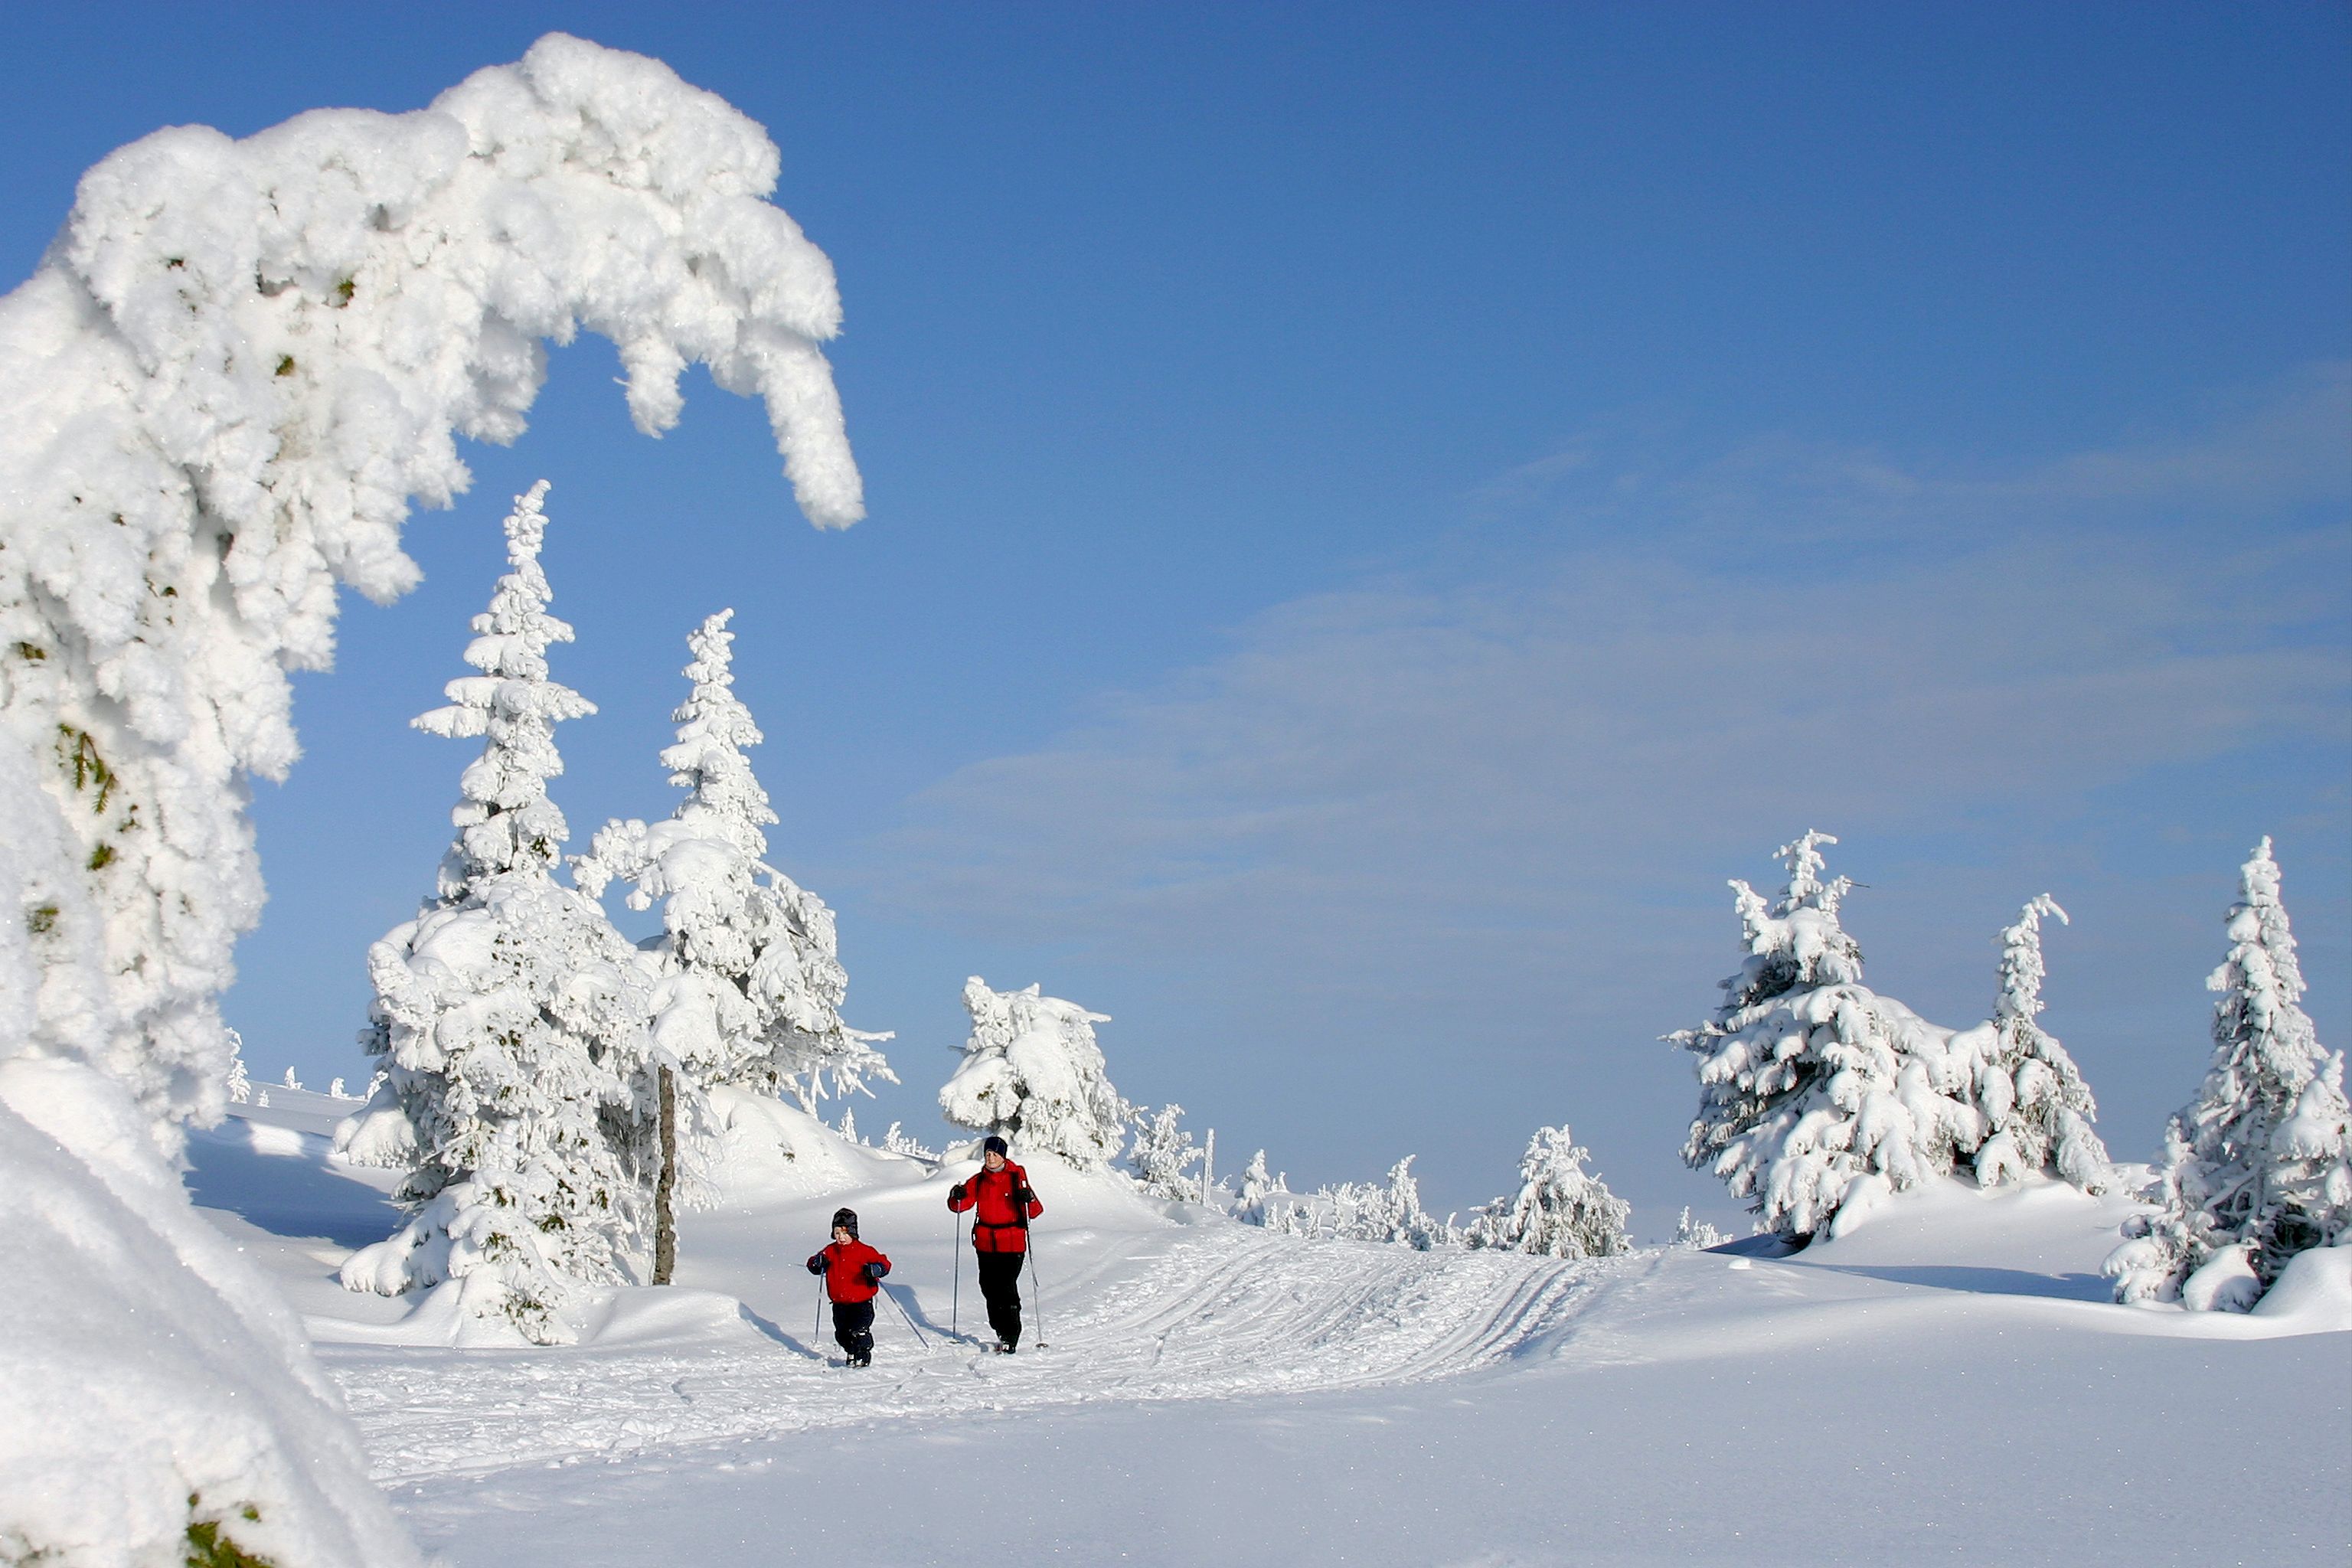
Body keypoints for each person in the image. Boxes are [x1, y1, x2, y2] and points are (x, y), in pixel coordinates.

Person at [947, 1135, 1043, 1352]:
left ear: (1003, 1156)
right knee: (989, 1287)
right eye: (988, 1154)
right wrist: (957, 1195)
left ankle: (1011, 1334)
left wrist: (1028, 1198)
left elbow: (1035, 1211)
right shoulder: (979, 1180)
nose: (990, 1158)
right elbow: (959, 1206)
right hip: (985, 1243)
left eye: (995, 1154)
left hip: (1012, 1242)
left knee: (1005, 1288)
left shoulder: (1016, 1177)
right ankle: (1000, 1328)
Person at [805, 1207, 890, 1367]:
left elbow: (884, 1263)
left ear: (853, 1233)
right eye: (837, 1233)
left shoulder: (864, 1251)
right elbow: (813, 1264)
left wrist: (876, 1269)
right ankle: (851, 1351)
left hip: (861, 1301)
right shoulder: (830, 1251)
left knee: (859, 1330)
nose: (841, 1238)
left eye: (845, 1233)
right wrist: (817, 1263)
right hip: (839, 1302)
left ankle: (862, 1354)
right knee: (842, 1333)